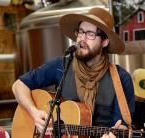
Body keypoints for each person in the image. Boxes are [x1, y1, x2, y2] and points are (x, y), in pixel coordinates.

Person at [12, 7, 135, 138]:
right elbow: (19, 85)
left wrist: (119, 133)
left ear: (104, 42)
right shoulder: (62, 65)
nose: (82, 39)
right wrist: (34, 113)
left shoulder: (121, 79)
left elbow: (123, 126)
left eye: (90, 34)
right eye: (81, 32)